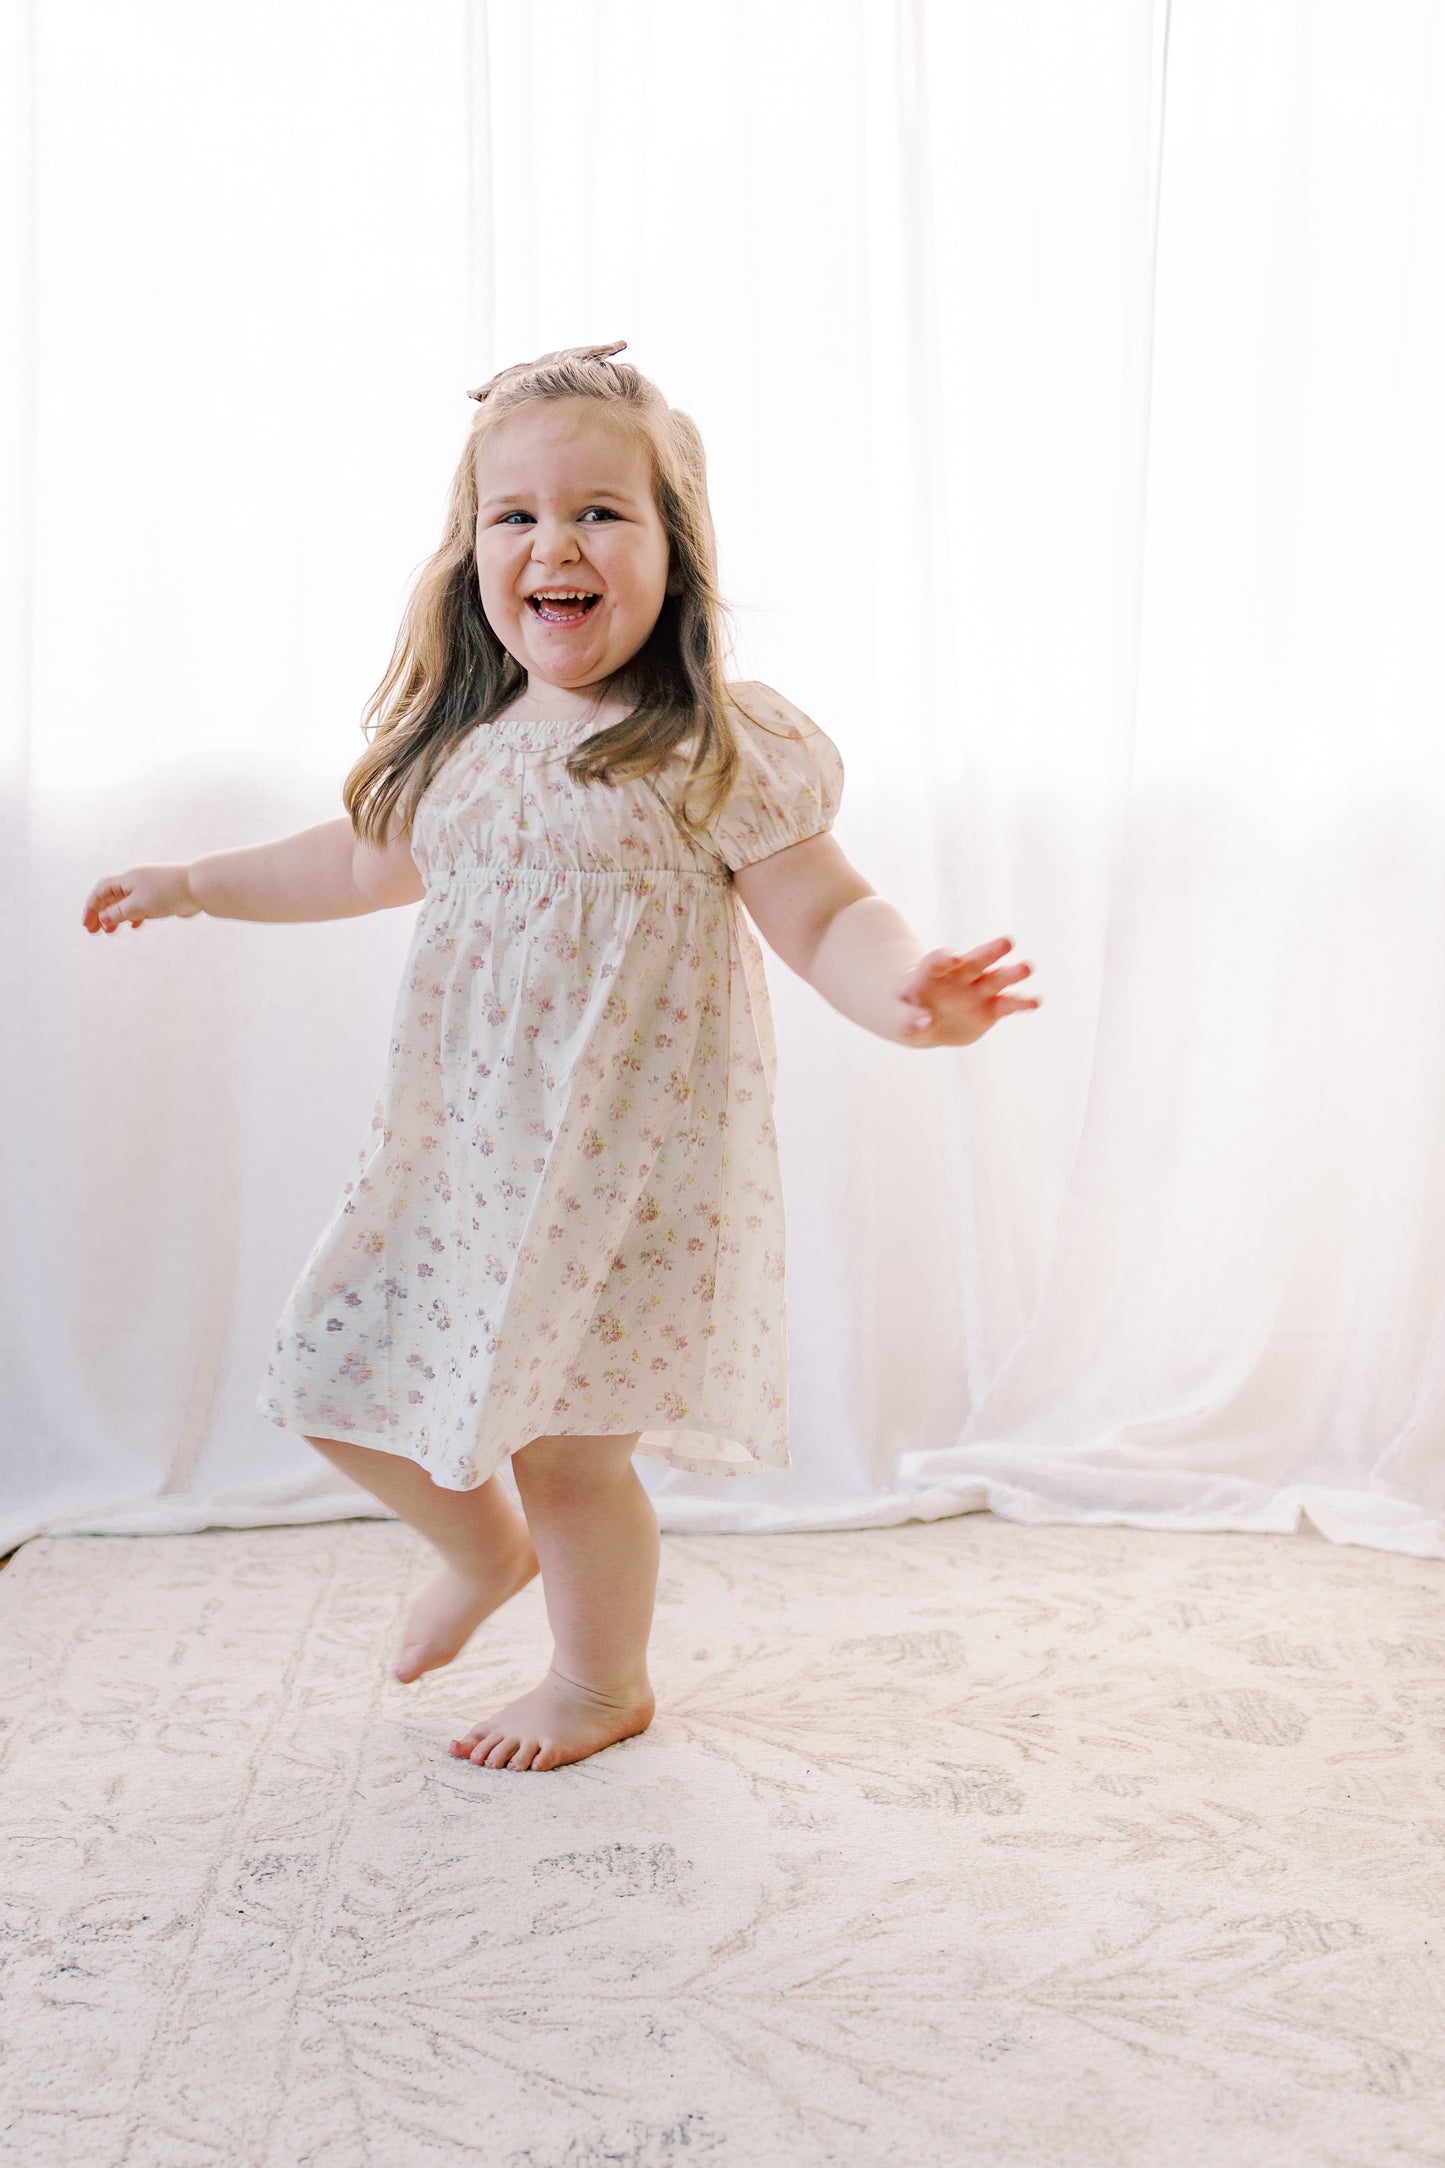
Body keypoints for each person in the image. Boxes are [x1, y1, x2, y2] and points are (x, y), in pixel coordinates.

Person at [81, 340, 1041, 1773]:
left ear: (673, 550)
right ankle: (483, 1553)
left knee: (569, 1444)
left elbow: (827, 910)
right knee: (330, 1362)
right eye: (514, 515)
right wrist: (197, 882)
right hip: (462, 1158)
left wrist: (905, 989)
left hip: (622, 1171)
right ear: (471, 551)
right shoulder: (466, 749)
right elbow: (353, 862)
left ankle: (599, 1681)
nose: (555, 544)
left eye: (600, 511)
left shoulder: (708, 747)